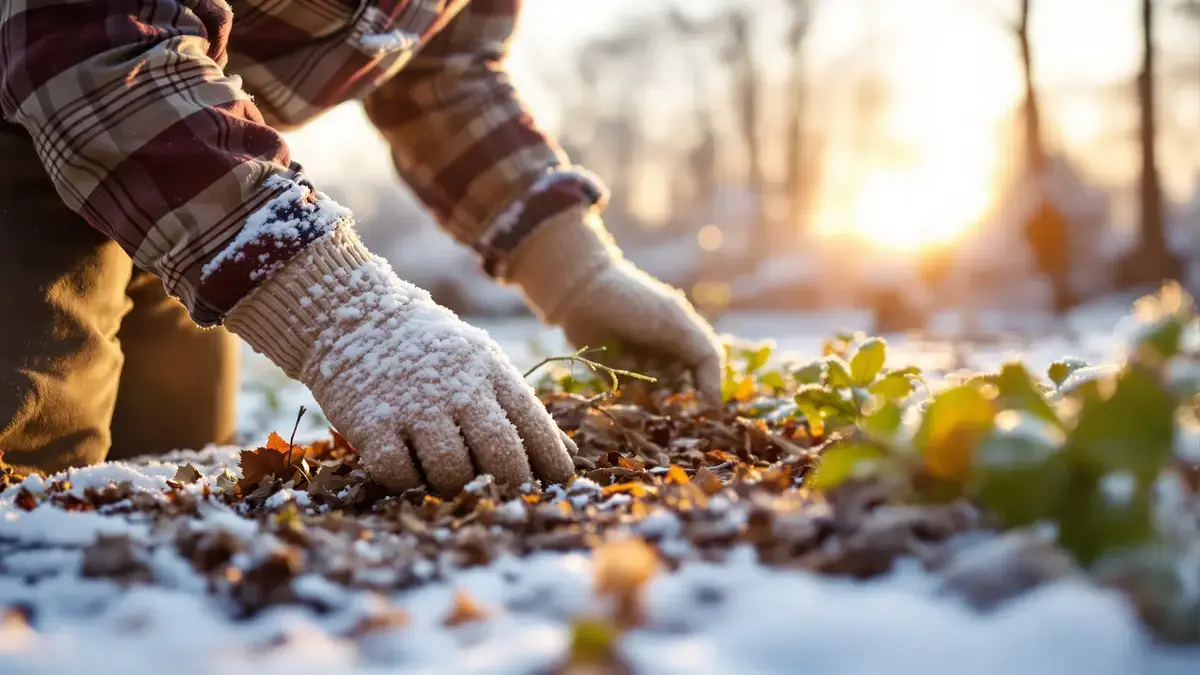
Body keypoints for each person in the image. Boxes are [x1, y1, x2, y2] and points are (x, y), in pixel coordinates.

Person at [0, 0, 724, 494]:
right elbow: (86, 43)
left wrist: (574, 267)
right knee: (33, 464)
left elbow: (446, 76)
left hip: (185, 171)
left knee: (178, 458)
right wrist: (342, 313)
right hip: (28, 124)